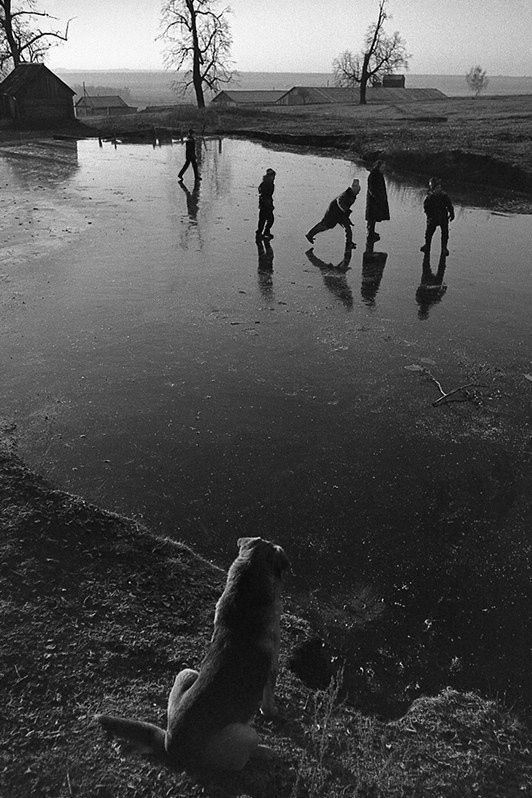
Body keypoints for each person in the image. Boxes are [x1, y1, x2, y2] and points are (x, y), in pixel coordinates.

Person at [306, 179, 361, 248]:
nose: (358, 193)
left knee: (347, 227)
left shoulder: (352, 195)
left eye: (359, 191)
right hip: (333, 212)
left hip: (341, 213)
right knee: (325, 225)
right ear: (354, 189)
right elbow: (340, 201)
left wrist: (347, 216)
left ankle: (349, 243)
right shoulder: (345, 195)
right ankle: (310, 235)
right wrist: (346, 211)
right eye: (358, 191)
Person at [420, 177, 455, 255]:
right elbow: (426, 207)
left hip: (443, 216)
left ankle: (444, 248)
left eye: (440, 187)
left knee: (445, 233)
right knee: (429, 232)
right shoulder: (429, 197)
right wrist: (429, 215)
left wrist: (452, 214)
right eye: (437, 188)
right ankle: (427, 245)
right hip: (433, 217)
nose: (439, 189)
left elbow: (449, 205)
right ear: (433, 189)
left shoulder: (444, 196)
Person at [365, 160, 390, 241]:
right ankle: (370, 233)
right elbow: (371, 188)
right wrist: (377, 197)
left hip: (377, 199)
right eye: (382, 167)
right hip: (373, 200)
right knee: (371, 217)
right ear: (378, 166)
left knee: (374, 217)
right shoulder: (373, 175)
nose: (384, 168)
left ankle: (371, 232)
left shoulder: (378, 175)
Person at [256, 168, 276, 240]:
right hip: (266, 204)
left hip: (265, 203)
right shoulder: (267, 184)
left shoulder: (266, 183)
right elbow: (266, 195)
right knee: (268, 219)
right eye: (273, 176)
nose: (274, 178)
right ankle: (262, 232)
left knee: (264, 219)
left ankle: (261, 232)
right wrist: (269, 204)